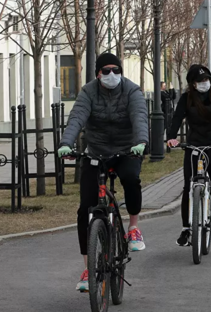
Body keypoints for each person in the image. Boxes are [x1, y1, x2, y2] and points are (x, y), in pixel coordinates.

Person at [57, 52, 148, 293]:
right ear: (98, 73)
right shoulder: (88, 92)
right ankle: (88, 268)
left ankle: (133, 228)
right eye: (105, 71)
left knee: (131, 178)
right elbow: (77, 117)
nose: (111, 75)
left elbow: (139, 117)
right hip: (96, 151)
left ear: (121, 72)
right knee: (85, 207)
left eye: (115, 70)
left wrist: (140, 142)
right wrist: (66, 143)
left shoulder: (132, 91)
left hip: (126, 150)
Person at [166, 65, 211, 247]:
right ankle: (186, 228)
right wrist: (172, 137)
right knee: (188, 185)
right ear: (192, 84)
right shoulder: (186, 99)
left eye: (207, 80)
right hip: (194, 143)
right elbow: (177, 118)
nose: (205, 83)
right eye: (200, 81)